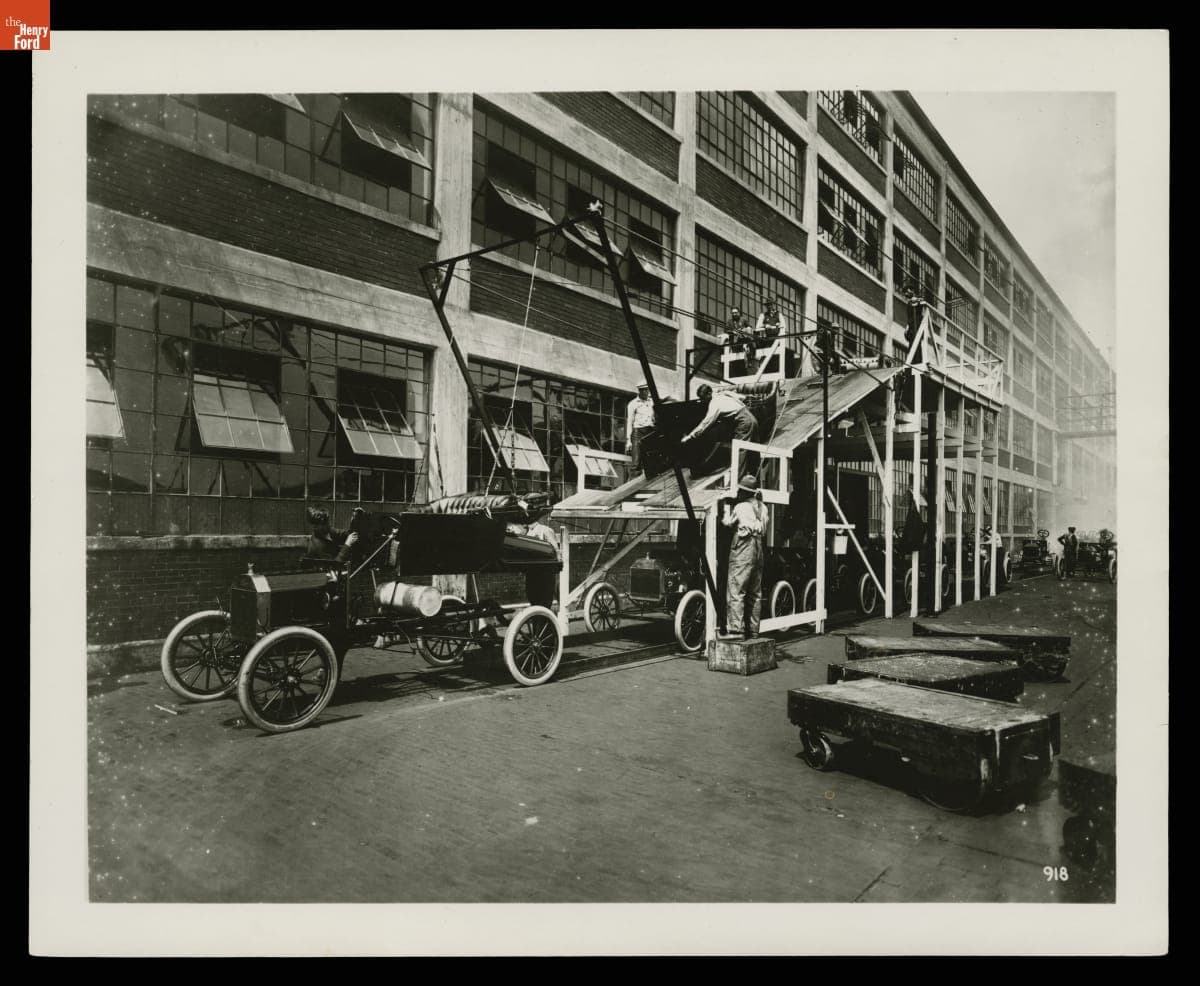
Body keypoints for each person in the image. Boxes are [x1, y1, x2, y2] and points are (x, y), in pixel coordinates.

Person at [721, 476, 769, 640]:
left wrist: (726, 507)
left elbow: (727, 523)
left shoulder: (740, 507)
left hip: (743, 548)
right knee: (755, 592)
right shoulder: (764, 508)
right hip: (758, 548)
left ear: (743, 491)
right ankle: (753, 631)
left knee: (736, 589)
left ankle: (736, 631)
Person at [682, 383, 758, 477]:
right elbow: (742, 398)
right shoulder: (723, 394)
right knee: (753, 449)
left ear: (709, 393)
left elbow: (705, 423)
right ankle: (755, 474)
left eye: (703, 398)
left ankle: (738, 481)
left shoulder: (715, 403)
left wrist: (690, 436)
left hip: (744, 422)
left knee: (739, 450)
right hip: (751, 417)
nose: (702, 401)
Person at [523, 506, 559, 610]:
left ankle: (547, 625)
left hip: (545, 574)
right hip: (532, 574)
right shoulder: (526, 533)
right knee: (533, 602)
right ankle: (538, 625)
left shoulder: (546, 530)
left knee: (544, 603)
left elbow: (556, 550)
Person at [625, 380, 656, 474]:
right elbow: (629, 421)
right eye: (641, 390)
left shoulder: (652, 402)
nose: (644, 392)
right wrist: (628, 441)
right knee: (636, 460)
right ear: (639, 391)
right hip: (638, 432)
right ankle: (633, 480)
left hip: (650, 431)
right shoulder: (633, 404)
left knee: (651, 457)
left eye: (645, 390)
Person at [721, 307, 756, 373]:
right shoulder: (730, 322)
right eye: (733, 313)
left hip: (743, 339)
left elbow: (750, 327)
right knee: (737, 360)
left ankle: (751, 358)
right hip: (734, 342)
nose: (734, 314)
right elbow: (726, 330)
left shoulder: (743, 320)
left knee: (750, 342)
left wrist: (743, 330)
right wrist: (733, 332)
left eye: (736, 312)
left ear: (739, 313)